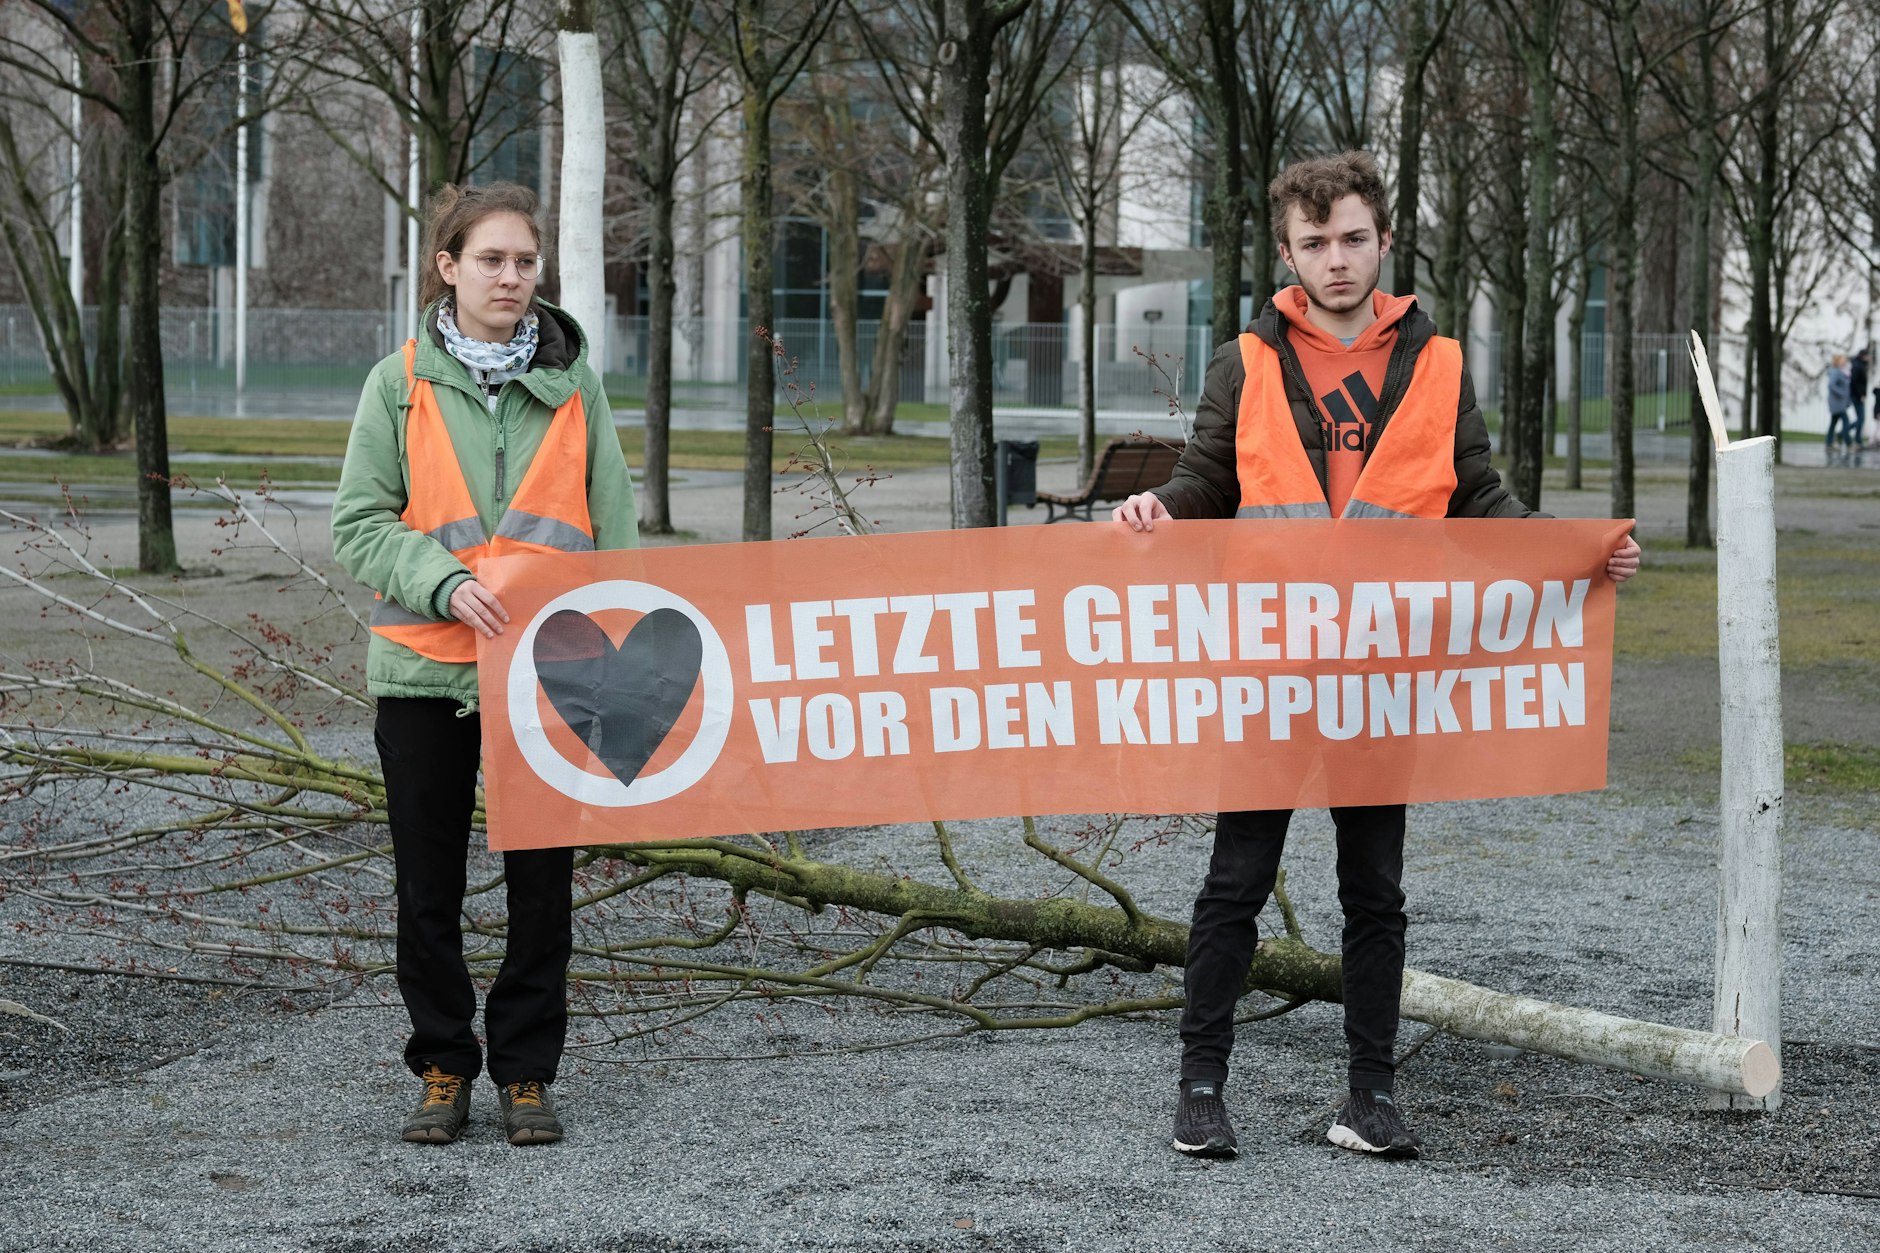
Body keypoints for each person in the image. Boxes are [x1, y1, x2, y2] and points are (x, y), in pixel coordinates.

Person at [1111, 151, 1641, 1162]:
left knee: (1374, 890)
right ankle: (1199, 1085)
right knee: (1235, 877)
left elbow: (1476, 490)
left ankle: (1368, 1096)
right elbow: (1203, 479)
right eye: (1313, 243)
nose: (1335, 258)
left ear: (1383, 240)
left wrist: (1572, 552)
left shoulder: (1434, 362)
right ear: (1285, 252)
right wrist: (1156, 507)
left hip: (1381, 667)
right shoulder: (1247, 359)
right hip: (1268, 660)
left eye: (1352, 237)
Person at [332, 183, 639, 1146]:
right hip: (426, 674)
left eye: (526, 261)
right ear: (448, 267)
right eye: (494, 259)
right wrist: (440, 580)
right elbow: (358, 521)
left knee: (541, 887)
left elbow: (615, 533)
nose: (513, 277)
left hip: (550, 678)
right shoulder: (399, 383)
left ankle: (527, 1073)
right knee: (427, 888)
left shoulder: (577, 384)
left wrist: (620, 661)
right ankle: (442, 1063)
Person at [1826, 354, 1852, 456]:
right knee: (1846, 421)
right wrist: (1842, 393)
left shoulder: (1842, 371)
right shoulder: (1836, 372)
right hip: (1837, 402)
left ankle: (1829, 443)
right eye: (1843, 360)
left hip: (1839, 402)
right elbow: (1831, 385)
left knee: (1833, 423)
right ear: (1838, 361)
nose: (1845, 362)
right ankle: (1848, 442)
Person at [1848, 348, 1869, 448]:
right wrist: (1861, 395)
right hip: (1857, 396)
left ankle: (1846, 432)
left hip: (1859, 396)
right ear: (1863, 356)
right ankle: (1857, 440)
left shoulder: (1861, 365)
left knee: (1860, 419)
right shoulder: (1857, 366)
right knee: (1861, 418)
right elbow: (1855, 382)